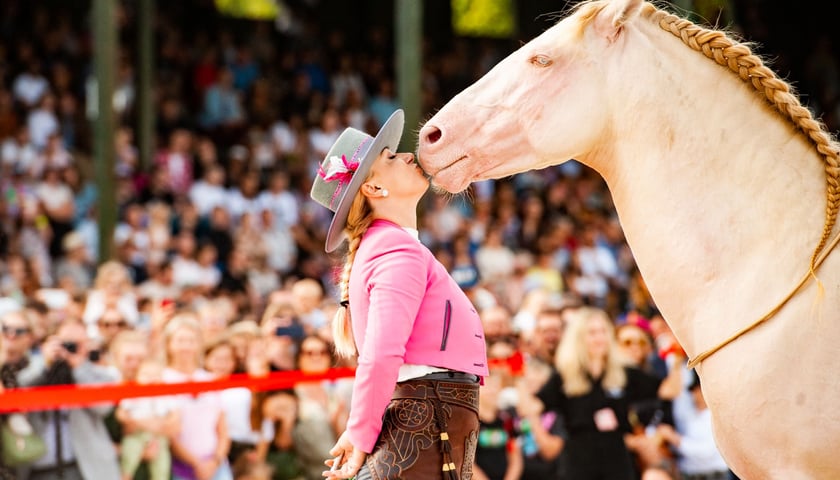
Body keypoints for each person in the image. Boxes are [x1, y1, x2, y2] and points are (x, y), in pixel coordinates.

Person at [309, 109, 488, 479]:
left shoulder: (389, 246)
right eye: (391, 157)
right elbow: (381, 354)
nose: (408, 155)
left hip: (427, 417)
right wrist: (359, 435)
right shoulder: (395, 248)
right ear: (373, 189)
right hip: (428, 417)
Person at [531, 306, 682, 480]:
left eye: (603, 331)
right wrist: (518, 379)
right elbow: (534, 407)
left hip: (616, 460)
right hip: (578, 463)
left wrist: (676, 357)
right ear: (579, 338)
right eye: (592, 332)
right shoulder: (565, 375)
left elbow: (669, 390)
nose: (599, 338)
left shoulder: (623, 372)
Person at [116, 360, 179, 480]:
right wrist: (132, 421)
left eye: (155, 375)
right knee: (130, 453)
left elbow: (174, 416)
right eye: (146, 375)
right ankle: (125, 475)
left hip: (159, 436)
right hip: (136, 435)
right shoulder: (133, 393)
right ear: (137, 377)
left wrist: (165, 424)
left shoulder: (165, 395)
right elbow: (121, 413)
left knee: (162, 464)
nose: (151, 379)